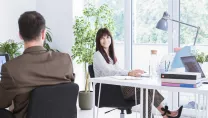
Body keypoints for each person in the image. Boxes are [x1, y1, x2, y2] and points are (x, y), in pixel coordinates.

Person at [93, 28, 183, 118]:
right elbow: (109, 71)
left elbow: (119, 70)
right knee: (146, 89)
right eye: (102, 38)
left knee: (147, 92)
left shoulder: (111, 56)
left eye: (108, 37)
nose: (106, 40)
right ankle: (166, 114)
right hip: (107, 91)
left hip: (118, 87)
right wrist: (129, 73)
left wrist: (132, 72)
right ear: (98, 40)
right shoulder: (97, 55)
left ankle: (165, 114)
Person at [0, 11, 75, 118]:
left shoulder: (11, 68)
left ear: (20, 35)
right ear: (43, 33)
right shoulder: (65, 60)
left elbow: (2, 102)